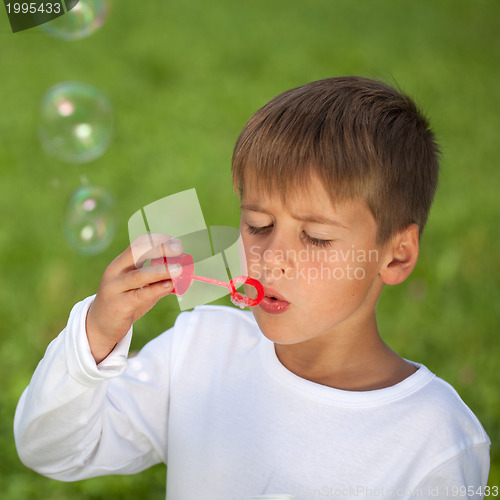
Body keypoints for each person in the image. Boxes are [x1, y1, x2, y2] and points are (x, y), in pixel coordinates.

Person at [14, 77, 490, 499]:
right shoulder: (200, 352)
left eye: (316, 237)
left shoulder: (435, 441)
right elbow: (52, 451)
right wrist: (96, 336)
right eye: (259, 225)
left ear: (397, 255)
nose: (271, 257)